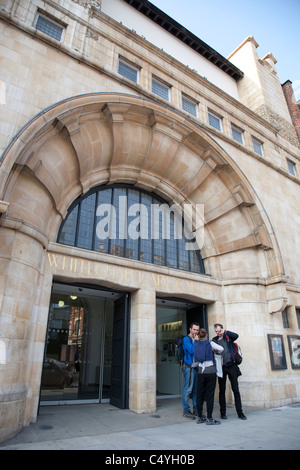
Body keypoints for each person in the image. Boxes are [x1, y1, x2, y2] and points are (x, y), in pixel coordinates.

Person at [212, 323, 247, 420]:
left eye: (219, 330)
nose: (218, 333)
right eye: (216, 331)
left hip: (231, 365)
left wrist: (226, 332)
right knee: (222, 391)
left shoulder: (228, 337)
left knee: (235, 390)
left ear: (222, 329)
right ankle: (223, 413)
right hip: (221, 367)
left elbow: (236, 336)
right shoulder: (214, 340)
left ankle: (240, 413)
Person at [193, 328, 224, 425]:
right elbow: (221, 349)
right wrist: (214, 351)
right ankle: (209, 417)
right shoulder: (210, 343)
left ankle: (200, 417)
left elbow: (195, 359)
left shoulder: (196, 344)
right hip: (210, 370)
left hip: (200, 371)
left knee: (200, 394)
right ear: (206, 335)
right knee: (209, 394)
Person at [182, 322, 200, 419]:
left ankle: (196, 409)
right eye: (194, 329)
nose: (196, 331)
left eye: (197, 330)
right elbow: (191, 351)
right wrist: (196, 342)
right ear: (190, 329)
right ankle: (186, 410)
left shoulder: (197, 339)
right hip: (188, 367)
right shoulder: (186, 339)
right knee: (188, 388)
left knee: (195, 390)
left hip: (196, 367)